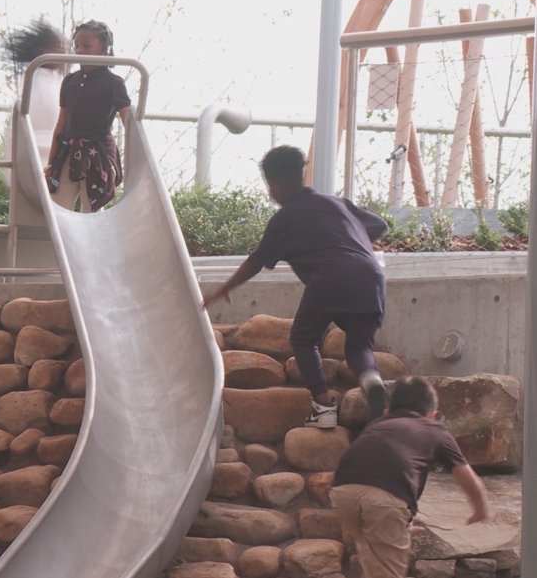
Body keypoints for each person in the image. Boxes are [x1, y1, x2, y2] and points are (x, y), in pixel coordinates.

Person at [202, 145, 389, 428]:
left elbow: (256, 261)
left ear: (274, 184)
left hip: (330, 277)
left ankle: (323, 406)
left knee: (303, 338)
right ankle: (373, 382)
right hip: (371, 275)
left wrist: (224, 288)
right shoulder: (338, 203)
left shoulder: (285, 219)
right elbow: (379, 225)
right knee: (359, 346)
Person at [330, 376, 490, 578]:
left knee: (374, 559)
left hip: (342, 492)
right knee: (387, 572)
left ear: (388, 412)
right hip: (384, 502)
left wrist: (400, 525)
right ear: (432, 415)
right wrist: (481, 511)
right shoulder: (434, 430)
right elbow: (468, 479)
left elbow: (369, 473)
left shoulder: (379, 424)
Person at [43, 20, 130, 213]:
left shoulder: (113, 83)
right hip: (69, 150)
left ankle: (92, 244)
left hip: (97, 154)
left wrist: (136, 162)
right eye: (77, 46)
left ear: (104, 47)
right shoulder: (70, 81)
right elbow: (61, 124)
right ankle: (61, 243)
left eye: (86, 46)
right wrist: (51, 163)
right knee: (57, 207)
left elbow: (129, 124)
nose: (80, 51)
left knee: (92, 209)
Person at [0, 18, 66, 165]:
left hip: (51, 153)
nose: (62, 51)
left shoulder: (57, 80)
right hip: (36, 154)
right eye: (57, 47)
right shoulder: (32, 79)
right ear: (40, 50)